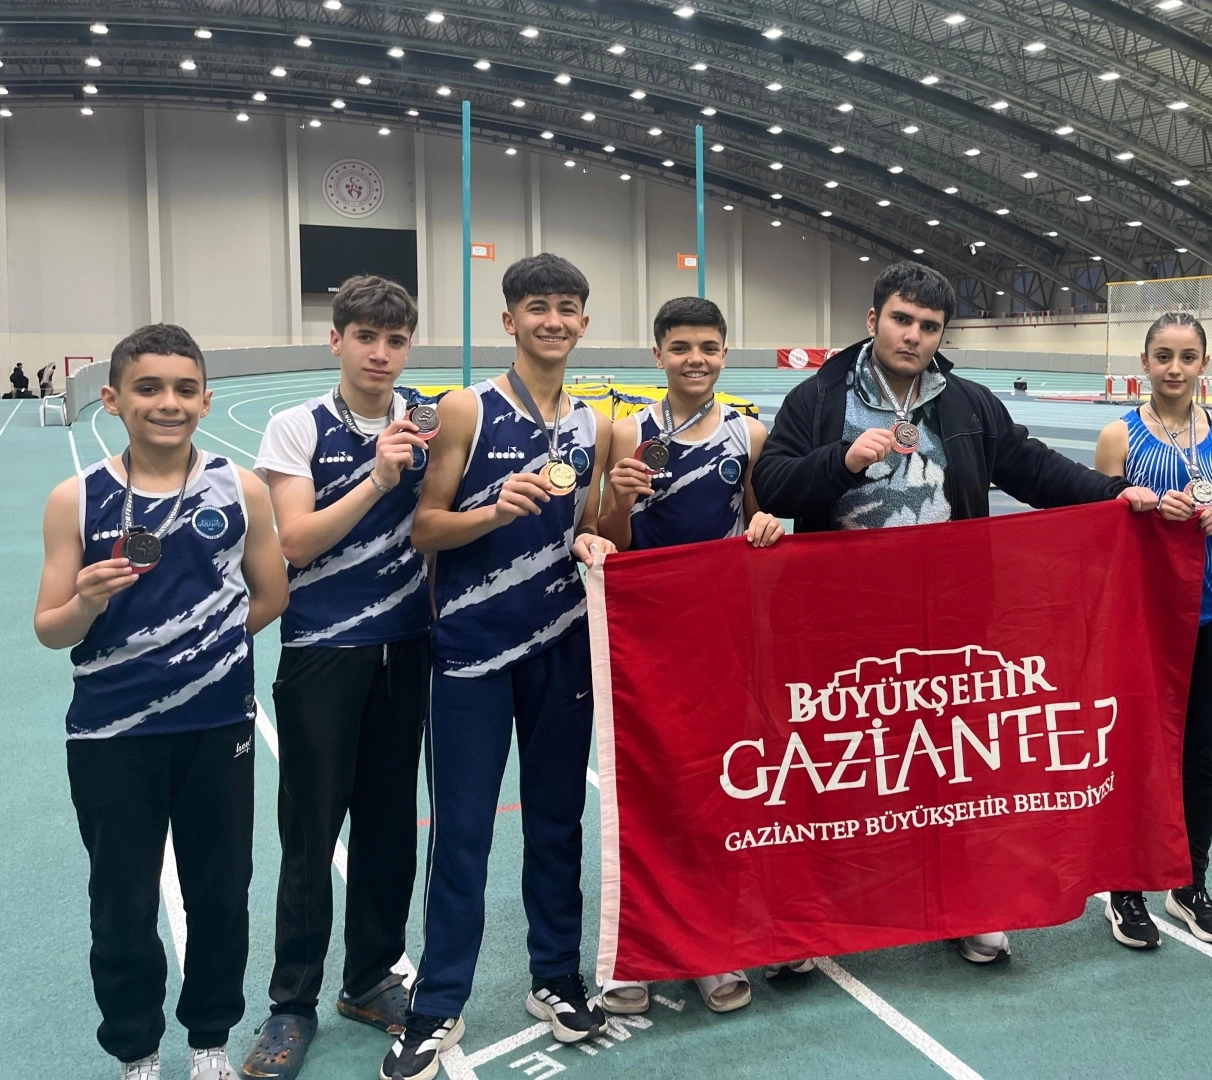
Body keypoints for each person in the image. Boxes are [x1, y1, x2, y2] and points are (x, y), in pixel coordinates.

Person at [752, 259, 1159, 965]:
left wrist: (1111, 493)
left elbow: (1031, 467)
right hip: (842, 621)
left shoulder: (966, 403)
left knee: (950, 770)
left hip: (946, 622)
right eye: (901, 319)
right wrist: (843, 460)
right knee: (839, 770)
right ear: (872, 320)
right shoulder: (817, 398)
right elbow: (776, 485)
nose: (913, 335)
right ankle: (819, 916)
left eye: (929, 325)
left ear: (942, 334)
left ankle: (964, 903)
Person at [33, 324, 288, 1080]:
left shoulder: (241, 488)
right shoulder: (76, 499)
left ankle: (209, 1038)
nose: (167, 402)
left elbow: (271, 594)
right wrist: (85, 601)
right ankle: (136, 1049)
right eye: (148, 388)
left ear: (206, 401)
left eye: (184, 389)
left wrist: (198, 655)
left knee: (221, 894)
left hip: (217, 726)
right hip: (111, 734)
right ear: (113, 400)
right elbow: (50, 629)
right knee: (121, 904)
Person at [383, 254, 615, 1080]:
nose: (554, 320)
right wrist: (490, 512)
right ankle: (437, 1003)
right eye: (537, 307)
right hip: (471, 657)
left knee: (558, 825)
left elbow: (589, 524)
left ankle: (555, 977)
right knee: (462, 837)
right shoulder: (466, 409)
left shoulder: (596, 424)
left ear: (583, 321)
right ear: (510, 321)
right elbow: (424, 528)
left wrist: (598, 534)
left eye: (567, 307)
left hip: (561, 650)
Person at [241, 277, 432, 1078]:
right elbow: (297, 540)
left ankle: (369, 978)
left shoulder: (425, 419)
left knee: (389, 827)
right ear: (336, 340)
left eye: (394, 339)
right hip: (324, 651)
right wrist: (378, 479)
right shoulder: (298, 426)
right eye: (365, 337)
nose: (380, 353)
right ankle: (291, 1003)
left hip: (408, 648)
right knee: (311, 832)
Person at [596, 295, 784, 1014]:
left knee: (712, 790)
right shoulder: (626, 431)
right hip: (644, 638)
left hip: (718, 637)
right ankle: (637, 951)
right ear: (657, 355)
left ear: (724, 354)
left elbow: (760, 524)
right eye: (680, 348)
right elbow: (607, 538)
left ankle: (709, 945)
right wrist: (617, 501)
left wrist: (769, 525)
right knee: (643, 790)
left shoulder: (749, 434)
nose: (694, 359)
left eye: (707, 347)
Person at [1093, 312, 1212, 948]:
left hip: (1208, 615)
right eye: (1163, 356)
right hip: (1141, 623)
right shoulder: (1119, 437)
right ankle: (1125, 888)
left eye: (1187, 357)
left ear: (1205, 363)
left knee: (1200, 760)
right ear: (1145, 363)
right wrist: (1150, 510)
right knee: (1137, 755)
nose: (1175, 369)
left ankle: (1189, 882)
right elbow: (1101, 535)